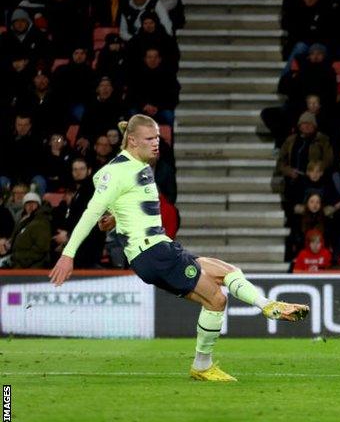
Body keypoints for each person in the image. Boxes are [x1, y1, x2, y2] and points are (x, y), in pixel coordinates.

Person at [50, 115, 310, 381]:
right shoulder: (116, 171)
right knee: (217, 298)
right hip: (153, 253)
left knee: (227, 275)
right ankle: (219, 351)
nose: (156, 144)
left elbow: (126, 203)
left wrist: (116, 218)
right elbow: (91, 211)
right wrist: (68, 255)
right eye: (150, 139)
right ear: (133, 140)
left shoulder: (138, 166)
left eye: (157, 138)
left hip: (159, 250)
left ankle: (263, 311)